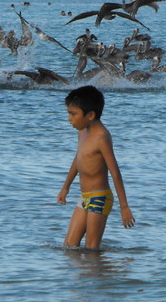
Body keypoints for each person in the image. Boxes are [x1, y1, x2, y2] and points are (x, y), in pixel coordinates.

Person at [57, 86, 134, 250]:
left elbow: (115, 172)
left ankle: (98, 275)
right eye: (69, 113)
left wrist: (124, 207)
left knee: (92, 249)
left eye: (73, 114)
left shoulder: (101, 137)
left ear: (90, 115)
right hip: (84, 197)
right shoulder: (82, 132)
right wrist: (65, 188)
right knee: (69, 247)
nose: (69, 119)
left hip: (100, 197)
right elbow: (78, 160)